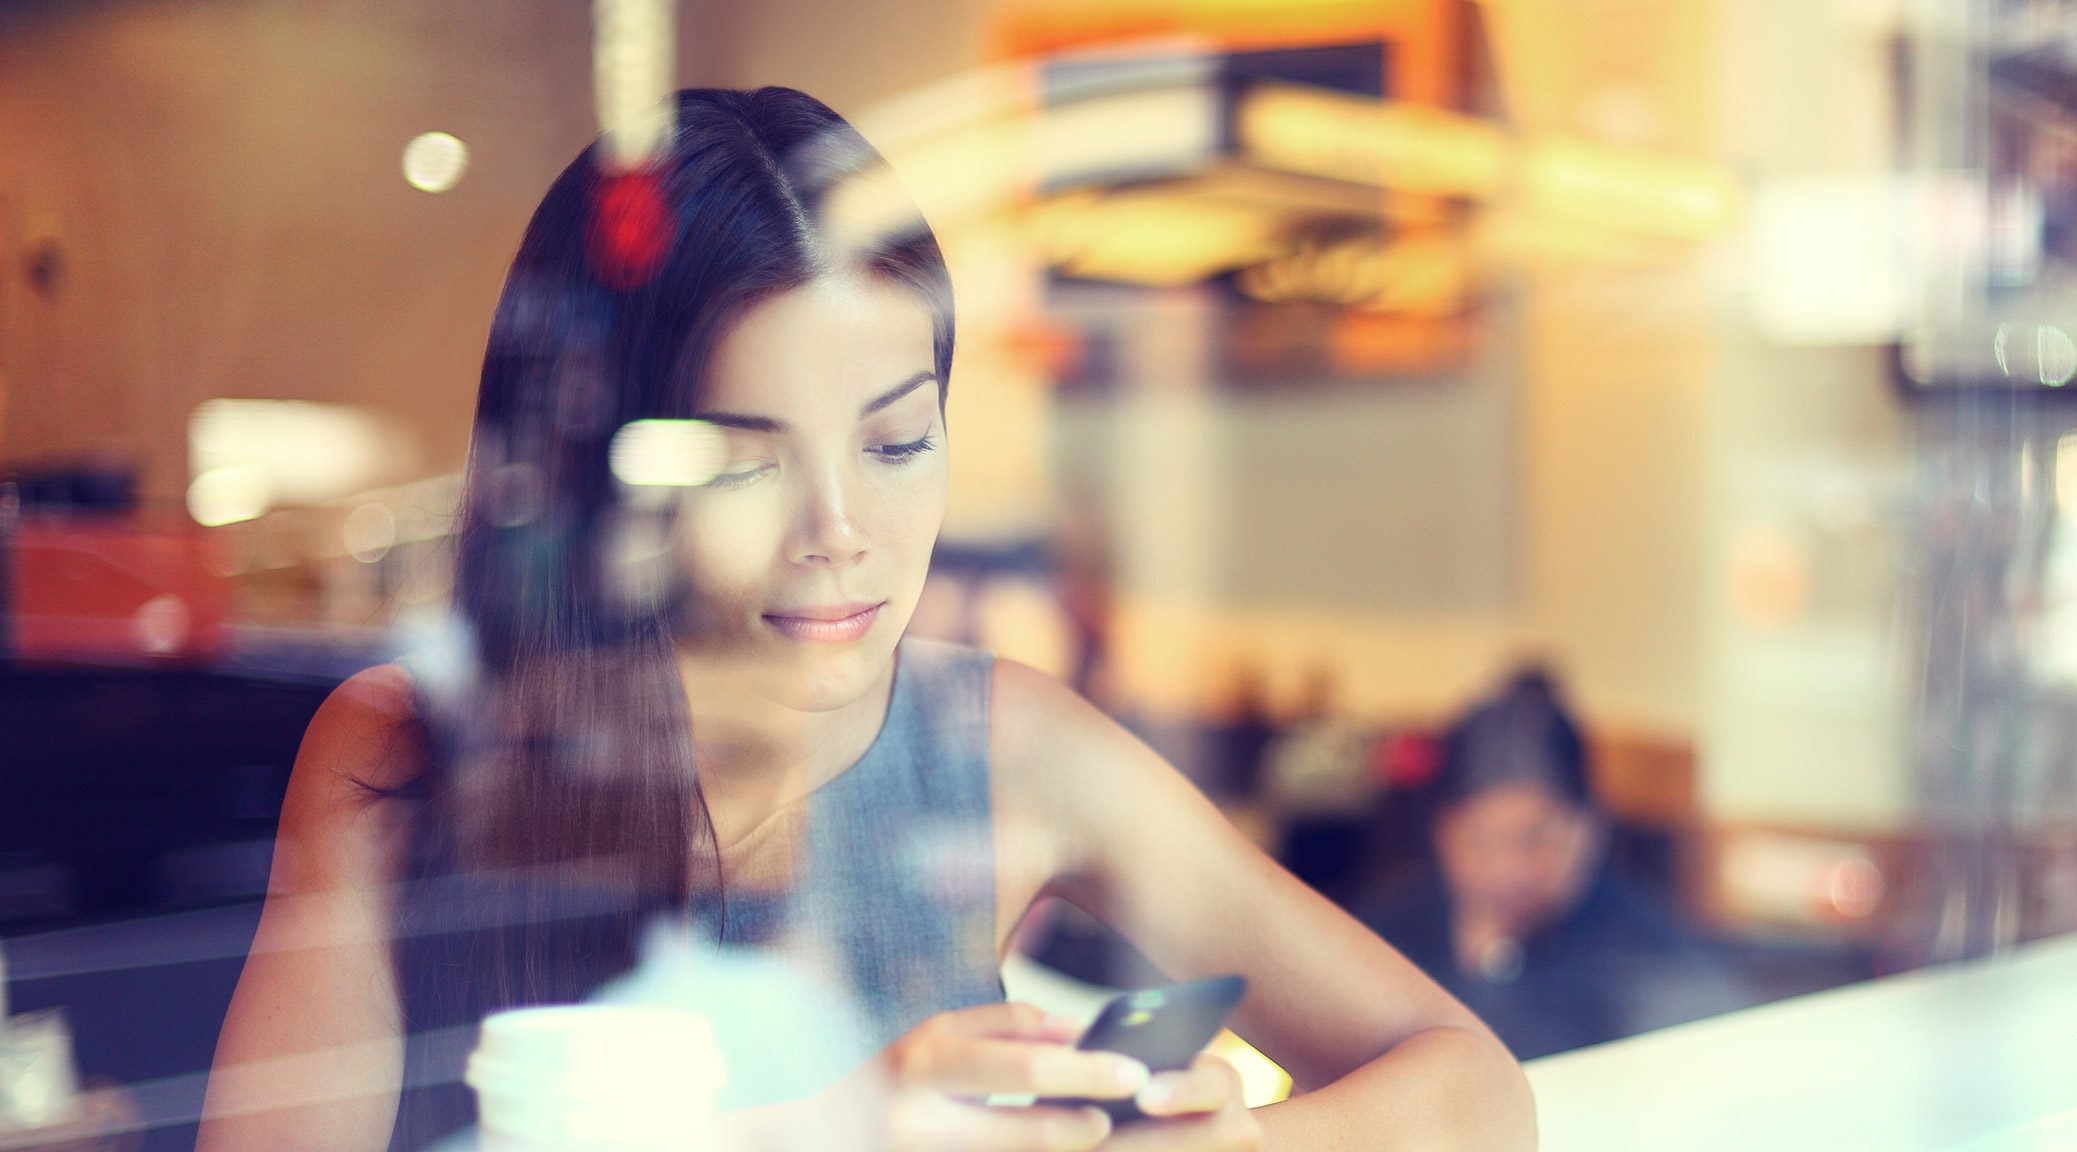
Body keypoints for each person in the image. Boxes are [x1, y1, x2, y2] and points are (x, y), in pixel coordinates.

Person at [197, 87, 1527, 1152]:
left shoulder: (997, 745)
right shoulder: (396, 759)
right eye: (745, 460)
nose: (836, 531)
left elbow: (1477, 1091)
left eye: (896, 443)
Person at [1360, 666, 1751, 1060]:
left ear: (1591, 827)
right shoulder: (1381, 938)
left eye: (1537, 839)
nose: (1507, 869)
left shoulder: (1655, 969)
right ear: (1442, 833)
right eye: (1480, 842)